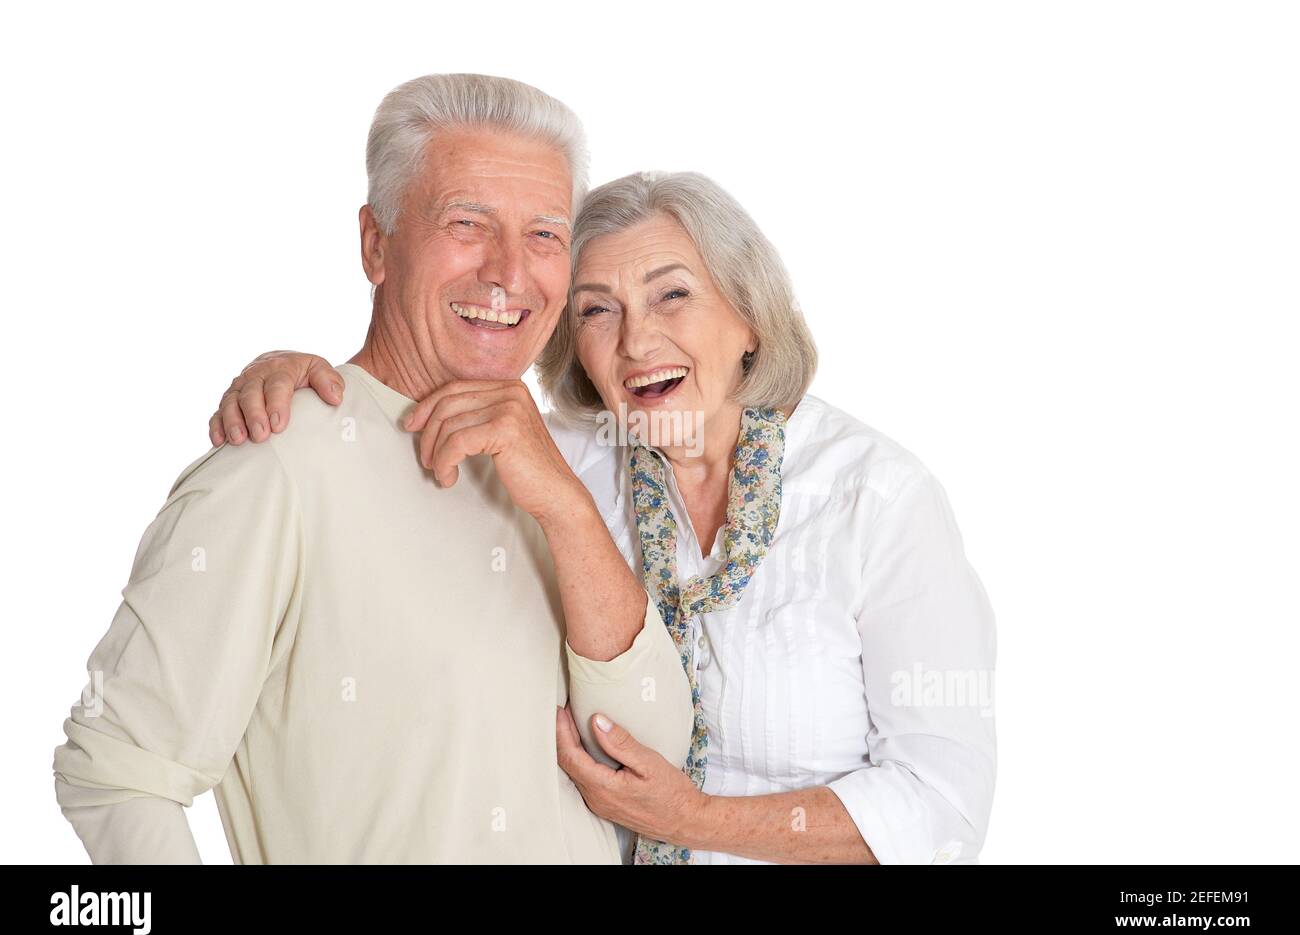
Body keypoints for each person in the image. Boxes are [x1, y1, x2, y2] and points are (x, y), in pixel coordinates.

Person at [216, 169, 998, 865]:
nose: (636, 339)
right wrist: (294, 381)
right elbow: (394, 430)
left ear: (750, 318)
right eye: (596, 310)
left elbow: (942, 810)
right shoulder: (553, 463)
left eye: (672, 294)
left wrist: (694, 819)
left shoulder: (878, 499)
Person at [51, 73, 694, 865]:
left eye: (544, 235)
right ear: (374, 243)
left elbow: (654, 754)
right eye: (468, 222)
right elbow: (115, 770)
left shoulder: (568, 466)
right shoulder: (278, 465)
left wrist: (562, 502)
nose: (508, 273)